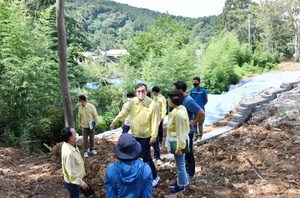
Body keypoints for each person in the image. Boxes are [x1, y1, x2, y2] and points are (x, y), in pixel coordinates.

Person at [110, 83, 161, 187]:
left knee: (146, 157)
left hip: (146, 136)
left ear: (146, 92)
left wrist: (154, 136)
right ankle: (141, 174)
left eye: (143, 91)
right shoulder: (133, 102)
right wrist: (115, 121)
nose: (141, 93)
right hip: (134, 134)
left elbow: (156, 121)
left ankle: (155, 176)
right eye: (139, 91)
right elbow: (124, 112)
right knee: (136, 156)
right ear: (136, 92)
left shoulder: (152, 105)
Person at [173, 80, 205, 181]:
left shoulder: (188, 100)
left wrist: (194, 122)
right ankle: (185, 170)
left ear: (180, 90)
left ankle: (191, 173)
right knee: (183, 152)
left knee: (188, 152)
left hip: (187, 132)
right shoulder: (181, 99)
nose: (173, 90)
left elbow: (201, 112)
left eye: (175, 89)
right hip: (180, 131)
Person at [104, 133, 153, 198]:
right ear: (137, 150)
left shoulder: (110, 170)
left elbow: (110, 196)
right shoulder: (146, 170)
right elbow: (146, 196)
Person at [166, 89, 190, 193]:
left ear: (173, 100)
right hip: (177, 139)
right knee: (180, 163)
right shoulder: (180, 108)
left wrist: (179, 147)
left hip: (178, 141)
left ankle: (182, 185)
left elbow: (180, 131)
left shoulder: (179, 114)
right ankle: (181, 180)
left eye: (169, 98)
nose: (168, 100)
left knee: (180, 165)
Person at [61, 127, 89, 198]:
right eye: (75, 133)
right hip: (73, 183)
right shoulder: (69, 153)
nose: (77, 134)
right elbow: (72, 174)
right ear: (71, 138)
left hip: (75, 180)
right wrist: (82, 184)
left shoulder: (70, 145)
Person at [151, 86, 167, 165]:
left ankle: (160, 141)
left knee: (160, 129)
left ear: (155, 91)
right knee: (155, 129)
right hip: (154, 116)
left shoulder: (162, 98)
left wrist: (162, 117)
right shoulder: (154, 97)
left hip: (159, 116)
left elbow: (164, 108)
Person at [190, 76, 208, 142]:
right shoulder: (192, 91)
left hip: (201, 110)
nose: (194, 83)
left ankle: (200, 136)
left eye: (196, 82)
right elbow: (191, 100)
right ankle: (195, 136)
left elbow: (206, 100)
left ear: (199, 82)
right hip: (194, 110)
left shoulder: (203, 91)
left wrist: (201, 106)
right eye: (193, 82)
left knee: (200, 124)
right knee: (194, 123)